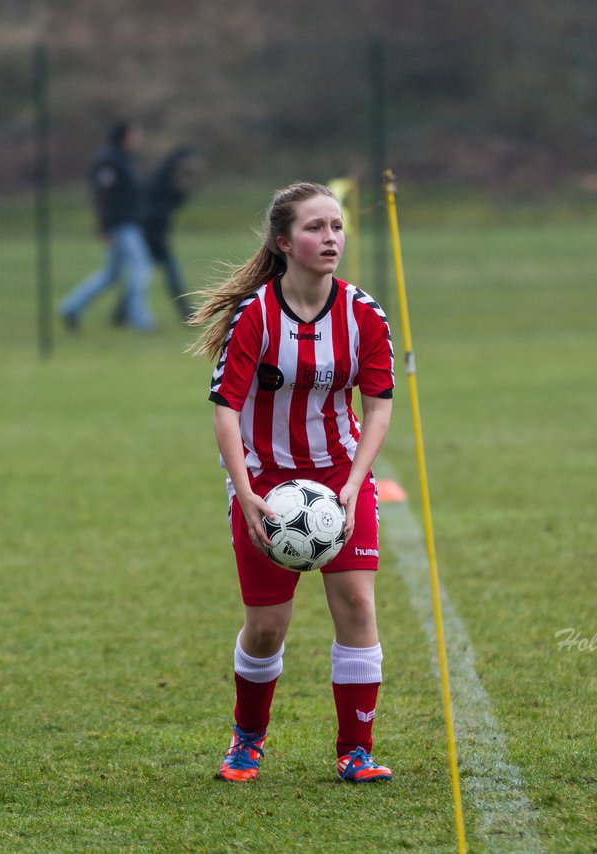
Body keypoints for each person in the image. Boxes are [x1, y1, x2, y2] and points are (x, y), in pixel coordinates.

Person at [188, 182, 396, 783]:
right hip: (265, 480)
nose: (330, 237)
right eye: (314, 228)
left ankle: (355, 751)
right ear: (284, 243)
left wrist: (354, 486)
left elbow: (378, 407)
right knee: (266, 626)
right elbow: (225, 408)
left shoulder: (364, 315)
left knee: (357, 603)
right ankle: (246, 740)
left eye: (336, 226)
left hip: (338, 474)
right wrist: (246, 491)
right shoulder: (255, 317)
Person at [59, 120, 155, 332]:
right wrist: (105, 227)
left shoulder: (123, 158)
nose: (138, 139)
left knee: (111, 274)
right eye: (135, 134)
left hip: (128, 223)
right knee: (142, 269)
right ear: (124, 136)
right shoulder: (109, 161)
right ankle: (140, 319)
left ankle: (71, 307)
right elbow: (104, 196)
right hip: (120, 225)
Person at [113, 146, 202, 325]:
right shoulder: (161, 181)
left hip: (156, 234)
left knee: (142, 275)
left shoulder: (169, 180)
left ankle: (120, 314)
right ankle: (185, 312)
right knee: (166, 273)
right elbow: (155, 208)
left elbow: (176, 203)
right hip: (151, 235)